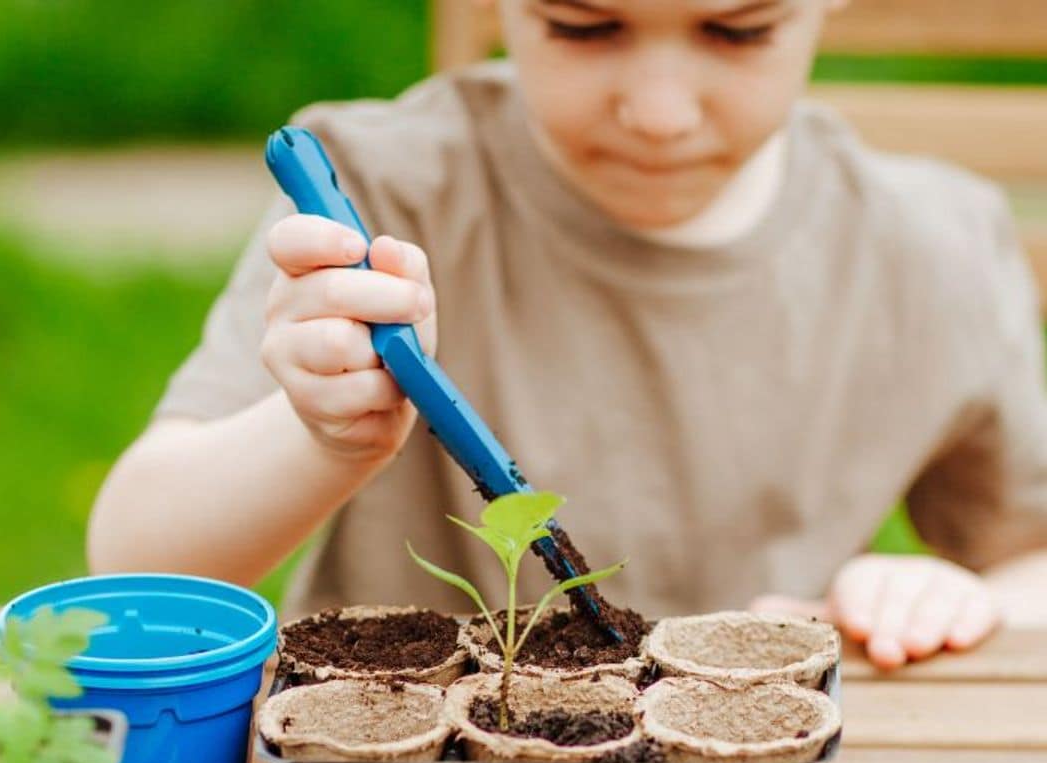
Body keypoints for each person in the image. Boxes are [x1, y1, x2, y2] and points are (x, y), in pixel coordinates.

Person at [87, 0, 1047, 670]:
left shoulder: (935, 249)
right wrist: (315, 436)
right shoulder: (379, 202)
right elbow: (132, 569)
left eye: (737, 28)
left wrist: (961, 605)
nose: (660, 115)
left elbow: (1027, 559)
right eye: (584, 25)